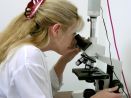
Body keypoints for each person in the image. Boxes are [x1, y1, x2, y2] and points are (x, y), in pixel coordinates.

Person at [0, 0, 122, 98]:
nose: (75, 39)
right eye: (73, 33)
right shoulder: (28, 57)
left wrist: (64, 60)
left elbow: (46, 90)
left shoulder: (25, 50)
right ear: (56, 30)